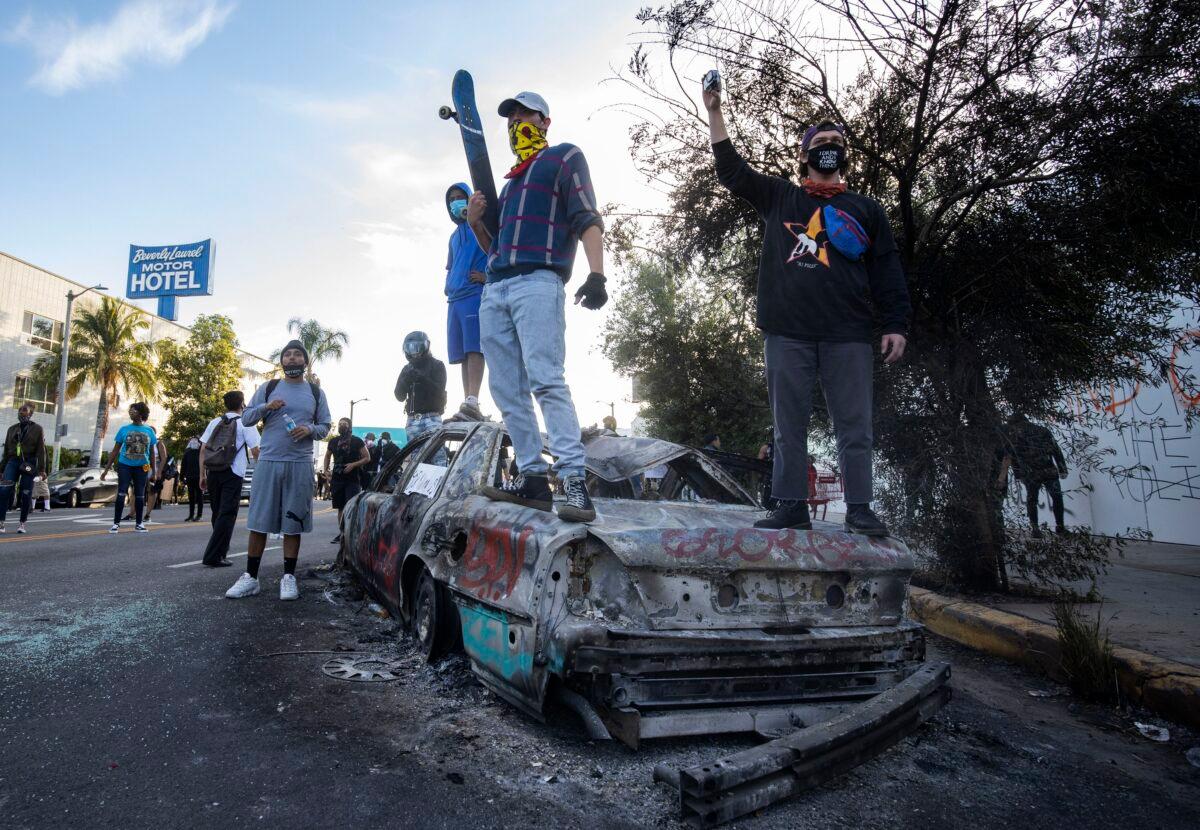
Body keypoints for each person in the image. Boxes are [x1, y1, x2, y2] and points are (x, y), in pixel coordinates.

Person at [704, 84, 911, 536]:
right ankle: (792, 505)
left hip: (849, 334)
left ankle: (859, 509)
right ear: (803, 157)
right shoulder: (780, 196)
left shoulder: (866, 209)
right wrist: (715, 113)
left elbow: (887, 270)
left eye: (837, 145)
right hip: (787, 332)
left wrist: (896, 323)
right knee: (787, 425)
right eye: (820, 145)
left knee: (855, 425)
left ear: (846, 157)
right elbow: (732, 172)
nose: (830, 149)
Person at [465, 90, 607, 523]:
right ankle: (531, 477)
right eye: (510, 118)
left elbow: (586, 215)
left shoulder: (564, 157)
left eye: (524, 114)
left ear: (545, 120)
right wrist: (475, 225)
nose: (515, 123)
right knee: (506, 389)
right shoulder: (508, 187)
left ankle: (573, 479)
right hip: (497, 287)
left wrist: (597, 273)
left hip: (539, 281)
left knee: (546, 378)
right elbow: (497, 248)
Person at [226, 340, 331, 600]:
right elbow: (247, 418)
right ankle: (251, 578)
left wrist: (310, 430)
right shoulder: (268, 387)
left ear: (304, 362)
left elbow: (326, 425)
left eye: (297, 355)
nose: (292, 358)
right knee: (259, 521)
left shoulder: (316, 393)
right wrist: (266, 407)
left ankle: (289, 578)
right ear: (282, 361)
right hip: (269, 461)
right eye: (288, 355)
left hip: (300, 463)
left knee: (293, 523)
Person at [443, 182, 489, 420]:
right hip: (455, 298)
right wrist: (448, 284)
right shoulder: (453, 236)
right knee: (461, 353)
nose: (456, 202)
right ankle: (467, 401)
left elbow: (496, 251)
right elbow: (449, 266)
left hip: (474, 294)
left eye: (461, 197)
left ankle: (474, 398)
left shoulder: (480, 225)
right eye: (452, 199)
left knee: (474, 347)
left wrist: (486, 276)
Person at [200, 390, 261, 567]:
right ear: (242, 404)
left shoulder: (215, 422)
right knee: (227, 514)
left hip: (213, 471)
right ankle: (214, 555)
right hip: (233, 472)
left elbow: (203, 449)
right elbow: (256, 451)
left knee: (217, 513)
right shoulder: (246, 422)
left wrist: (202, 474)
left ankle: (220, 552)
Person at [998, 413, 1069, 538]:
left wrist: (1018, 474)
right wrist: (1062, 468)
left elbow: (1011, 455)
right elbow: (1056, 449)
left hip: (1030, 474)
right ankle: (1060, 527)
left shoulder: (1015, 436)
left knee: (1032, 500)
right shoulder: (1042, 430)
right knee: (1057, 498)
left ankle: (1035, 529)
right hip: (1048, 470)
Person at [101, 402, 159, 533]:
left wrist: (154, 472)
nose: (131, 412)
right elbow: (115, 451)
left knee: (140, 494)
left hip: (142, 466)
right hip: (125, 465)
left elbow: (152, 454)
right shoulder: (124, 429)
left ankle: (139, 523)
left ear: (141, 413)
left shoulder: (149, 431)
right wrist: (106, 469)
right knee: (121, 492)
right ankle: (116, 523)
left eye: (134, 410)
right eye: (130, 410)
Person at [394, 331, 448, 444]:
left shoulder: (437, 365)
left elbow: (439, 391)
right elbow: (399, 396)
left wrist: (422, 378)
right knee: (415, 455)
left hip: (432, 417)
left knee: (436, 455)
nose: (414, 352)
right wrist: (406, 381)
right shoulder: (406, 369)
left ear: (426, 346)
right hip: (412, 418)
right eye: (410, 348)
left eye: (417, 347)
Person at [1, 402, 46, 534]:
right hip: (13, 462)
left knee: (25, 493)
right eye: (20, 410)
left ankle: (22, 524)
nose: (21, 412)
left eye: (24, 410)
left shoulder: (38, 429)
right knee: (3, 491)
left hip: (29, 463)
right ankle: (1, 523)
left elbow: (41, 451)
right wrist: (1, 469)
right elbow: (7, 450)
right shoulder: (12, 429)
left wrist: (42, 470)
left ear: (30, 413)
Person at [323, 417, 370, 544]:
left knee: (351, 506)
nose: (341, 426)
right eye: (339, 424)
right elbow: (327, 456)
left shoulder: (357, 441)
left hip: (353, 479)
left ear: (349, 426)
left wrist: (353, 465)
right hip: (337, 478)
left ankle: (352, 533)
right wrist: (326, 470)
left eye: (344, 424)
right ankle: (342, 533)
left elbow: (367, 458)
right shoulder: (333, 441)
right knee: (340, 507)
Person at [181, 435, 203, 521]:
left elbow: (204, 465)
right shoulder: (187, 453)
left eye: (196, 441)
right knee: (191, 496)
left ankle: (199, 515)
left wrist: (204, 476)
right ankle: (191, 515)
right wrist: (182, 477)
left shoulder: (201, 452)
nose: (194, 442)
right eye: (192, 440)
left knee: (199, 496)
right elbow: (183, 465)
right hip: (190, 477)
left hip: (199, 477)